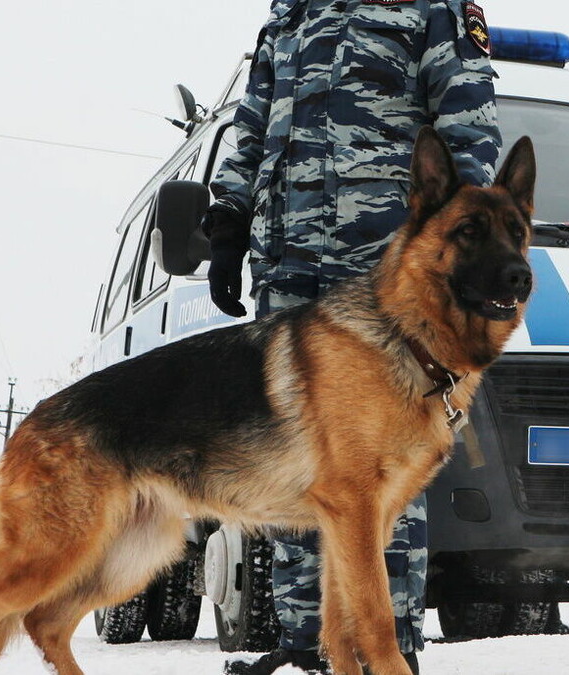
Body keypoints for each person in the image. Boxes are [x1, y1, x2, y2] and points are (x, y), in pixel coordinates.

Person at [203, 1, 500, 673]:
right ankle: (308, 640)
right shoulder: (290, 16)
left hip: (382, 275)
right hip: (285, 268)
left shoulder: (431, 10)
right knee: (295, 454)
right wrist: (228, 217)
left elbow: (469, 129)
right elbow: (252, 120)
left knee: (383, 462)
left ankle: (385, 648)